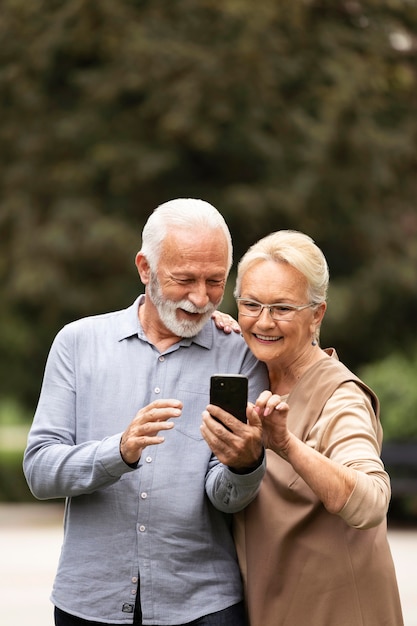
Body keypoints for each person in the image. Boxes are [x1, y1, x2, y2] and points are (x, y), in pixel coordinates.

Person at [23, 198, 269, 626]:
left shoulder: (241, 355)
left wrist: (245, 465)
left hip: (203, 606)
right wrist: (118, 452)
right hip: (89, 600)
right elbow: (40, 471)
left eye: (215, 280)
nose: (201, 297)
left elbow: (225, 499)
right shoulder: (77, 343)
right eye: (184, 279)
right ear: (144, 268)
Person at [204, 230, 404, 626]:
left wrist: (286, 444)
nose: (263, 321)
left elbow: (372, 502)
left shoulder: (340, 395)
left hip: (338, 611)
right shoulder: (250, 371)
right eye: (251, 304)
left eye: (281, 308)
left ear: (317, 315)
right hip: (271, 605)